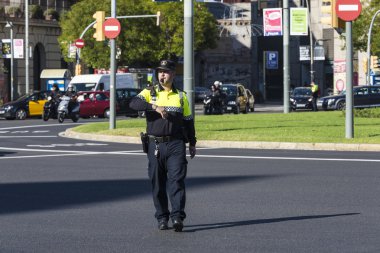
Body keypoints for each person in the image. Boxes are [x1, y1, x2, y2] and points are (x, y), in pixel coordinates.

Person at [129, 59, 196, 232]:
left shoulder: (181, 96)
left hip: (176, 143)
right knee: (157, 183)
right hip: (155, 144)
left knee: (177, 181)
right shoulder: (149, 92)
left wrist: (193, 143)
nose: (162, 75)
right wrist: (153, 106)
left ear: (173, 74)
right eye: (160, 72)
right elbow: (133, 104)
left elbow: (188, 122)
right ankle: (162, 217)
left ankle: (177, 217)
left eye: (166, 72)